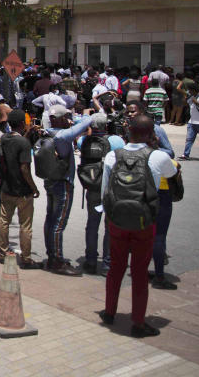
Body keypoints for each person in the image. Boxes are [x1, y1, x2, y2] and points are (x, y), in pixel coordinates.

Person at [100, 115, 176, 338]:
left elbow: (106, 190)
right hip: (144, 221)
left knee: (116, 267)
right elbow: (172, 173)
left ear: (129, 131)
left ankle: (110, 311)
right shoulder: (158, 156)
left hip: (117, 220)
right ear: (151, 133)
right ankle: (138, 322)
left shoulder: (112, 155)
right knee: (140, 272)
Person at [43, 104, 93, 275]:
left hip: (50, 181)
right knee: (59, 223)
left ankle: (52, 256)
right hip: (63, 184)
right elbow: (87, 121)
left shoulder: (47, 132)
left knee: (50, 220)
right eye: (65, 117)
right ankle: (57, 261)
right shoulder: (63, 136)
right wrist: (83, 115)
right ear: (60, 118)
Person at [79, 113, 125, 275]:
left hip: (92, 187)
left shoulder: (84, 141)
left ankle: (90, 260)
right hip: (112, 188)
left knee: (92, 225)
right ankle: (107, 263)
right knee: (109, 226)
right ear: (107, 125)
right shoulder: (117, 141)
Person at [0, 109, 41, 269]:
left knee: (4, 221)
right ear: (22, 123)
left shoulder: (3, 139)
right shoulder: (23, 143)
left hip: (7, 188)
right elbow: (24, 169)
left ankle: (2, 252)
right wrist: (34, 187)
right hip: (22, 190)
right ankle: (26, 258)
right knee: (25, 225)